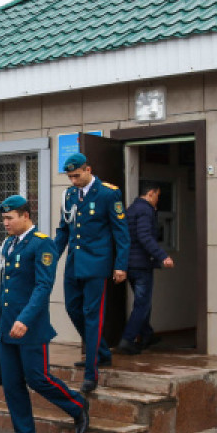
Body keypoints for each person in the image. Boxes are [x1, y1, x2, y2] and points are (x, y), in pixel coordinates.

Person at [0, 195, 90, 433]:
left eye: (9, 218)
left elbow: (43, 287)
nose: (5, 223)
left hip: (30, 327)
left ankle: (77, 405)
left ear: (26, 216)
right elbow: (4, 286)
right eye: (3, 218)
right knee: (12, 385)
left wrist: (24, 319)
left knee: (38, 378)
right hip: (7, 328)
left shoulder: (42, 245)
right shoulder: (9, 245)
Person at [52, 153, 129, 393]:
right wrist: (51, 257)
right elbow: (64, 229)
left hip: (96, 264)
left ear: (88, 169)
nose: (73, 181)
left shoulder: (108, 193)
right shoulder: (69, 195)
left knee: (91, 315)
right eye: (70, 177)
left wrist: (121, 265)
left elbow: (121, 233)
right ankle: (103, 352)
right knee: (73, 309)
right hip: (74, 262)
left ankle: (91, 372)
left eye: (77, 176)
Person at [119, 181, 175, 355]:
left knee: (142, 302)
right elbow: (144, 236)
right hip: (141, 264)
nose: (158, 200)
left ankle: (147, 334)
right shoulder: (145, 210)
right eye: (158, 196)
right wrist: (162, 256)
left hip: (129, 263)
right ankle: (127, 340)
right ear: (151, 193)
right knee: (142, 304)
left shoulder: (132, 209)